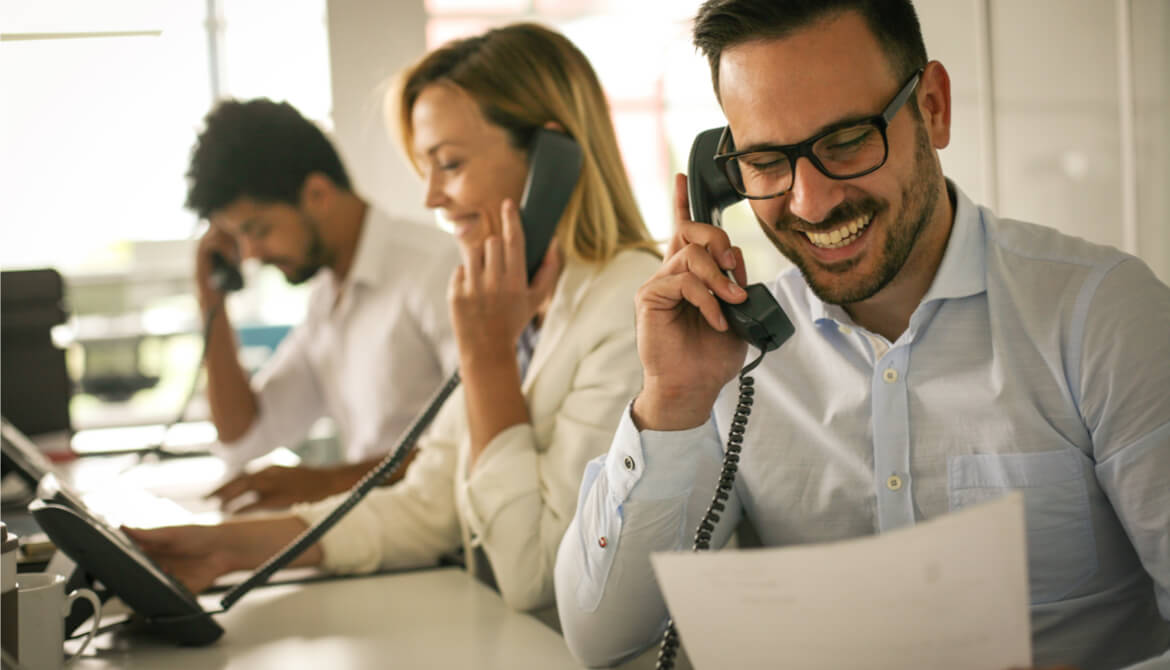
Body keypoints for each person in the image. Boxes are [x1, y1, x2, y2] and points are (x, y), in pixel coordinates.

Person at [553, 1, 1170, 668]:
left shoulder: (1104, 315)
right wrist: (672, 400)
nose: (810, 203)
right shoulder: (732, 358)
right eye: (766, 161)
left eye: (846, 141)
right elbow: (601, 639)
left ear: (932, 107)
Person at [127, 23, 661, 614]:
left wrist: (485, 360)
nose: (431, 197)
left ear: (550, 160)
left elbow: (532, 573)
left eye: (449, 164)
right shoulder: (512, 299)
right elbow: (427, 505)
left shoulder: (628, 306)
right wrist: (222, 546)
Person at [185, 98, 460, 512]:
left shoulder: (436, 270)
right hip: (379, 540)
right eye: (238, 239)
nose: (252, 254)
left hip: (447, 550)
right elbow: (243, 438)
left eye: (258, 230)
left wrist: (328, 483)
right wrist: (211, 300)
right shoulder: (327, 299)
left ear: (316, 194)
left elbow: (478, 445)